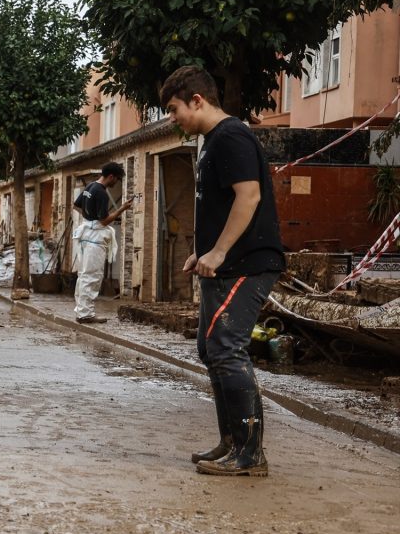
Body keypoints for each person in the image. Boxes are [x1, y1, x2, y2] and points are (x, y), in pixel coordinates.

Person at [162, 65, 284, 477]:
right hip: (223, 263)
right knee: (211, 349)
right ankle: (231, 442)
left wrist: (219, 252)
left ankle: (250, 454)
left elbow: (247, 198)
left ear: (197, 100)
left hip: (246, 263)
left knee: (227, 348)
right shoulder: (210, 142)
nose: (173, 118)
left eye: (175, 108)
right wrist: (203, 253)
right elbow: (218, 205)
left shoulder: (231, 135)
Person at [71, 163, 134, 324]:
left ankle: (82, 311)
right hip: (94, 238)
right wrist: (122, 208)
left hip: (86, 234)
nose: (116, 183)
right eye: (117, 179)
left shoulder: (90, 186)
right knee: (92, 276)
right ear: (111, 176)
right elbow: (104, 220)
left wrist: (89, 219)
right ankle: (86, 314)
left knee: (84, 275)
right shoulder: (102, 193)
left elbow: (76, 205)